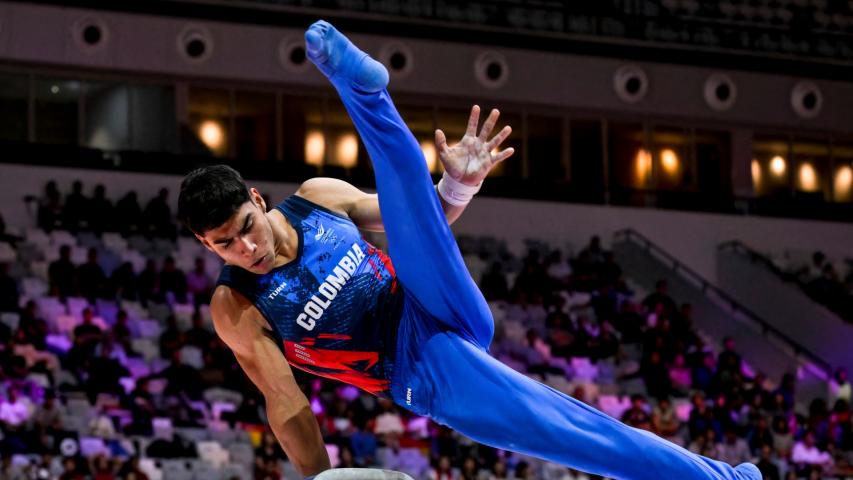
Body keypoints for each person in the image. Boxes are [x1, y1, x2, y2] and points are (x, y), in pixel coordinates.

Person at [178, 20, 760, 480]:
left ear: (256, 198)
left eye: (245, 225)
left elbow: (420, 222)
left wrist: (456, 187)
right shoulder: (238, 306)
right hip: (417, 365)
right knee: (566, 430)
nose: (245, 247)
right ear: (206, 245)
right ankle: (725, 479)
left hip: (430, 294)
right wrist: (322, 478)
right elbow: (285, 401)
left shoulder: (316, 198)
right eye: (222, 244)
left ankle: (361, 87)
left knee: (409, 188)